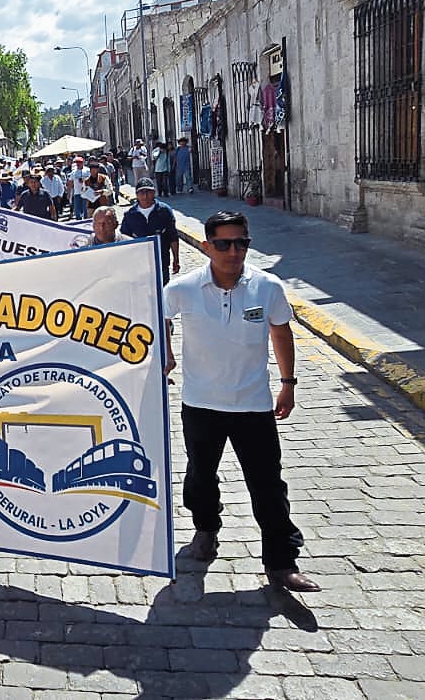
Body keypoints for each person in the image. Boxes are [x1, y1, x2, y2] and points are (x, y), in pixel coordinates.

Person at [163, 211, 319, 593]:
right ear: (206, 246)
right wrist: (165, 352)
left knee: (267, 485)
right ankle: (206, 529)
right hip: (201, 403)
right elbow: (157, 319)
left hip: (253, 405)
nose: (234, 251)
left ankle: (281, 563)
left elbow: (281, 334)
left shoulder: (267, 287)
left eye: (241, 243)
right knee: (201, 476)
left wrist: (288, 383)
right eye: (224, 244)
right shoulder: (183, 289)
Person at [121, 178, 182, 283]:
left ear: (154, 193)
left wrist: (176, 259)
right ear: (136, 195)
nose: (145, 196)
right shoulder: (130, 215)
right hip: (139, 265)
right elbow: (124, 240)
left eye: (148, 192)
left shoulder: (164, 211)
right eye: (141, 192)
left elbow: (173, 236)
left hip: (161, 262)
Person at [67, 156, 91, 221]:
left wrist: (84, 180)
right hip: (77, 192)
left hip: (85, 192)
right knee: (77, 208)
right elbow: (70, 182)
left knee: (85, 208)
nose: (78, 164)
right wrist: (69, 193)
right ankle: (78, 220)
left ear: (83, 162)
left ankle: (86, 220)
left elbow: (91, 179)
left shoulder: (87, 170)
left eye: (80, 162)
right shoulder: (73, 172)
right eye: (77, 162)